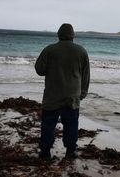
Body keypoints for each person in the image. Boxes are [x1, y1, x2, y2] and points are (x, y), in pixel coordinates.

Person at [35, 23, 90, 159]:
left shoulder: (49, 50)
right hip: (72, 97)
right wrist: (82, 93)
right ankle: (70, 151)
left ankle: (46, 152)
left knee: (48, 125)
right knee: (71, 125)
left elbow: (39, 70)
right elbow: (86, 75)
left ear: (58, 35)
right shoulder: (81, 51)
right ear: (73, 36)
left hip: (52, 96)